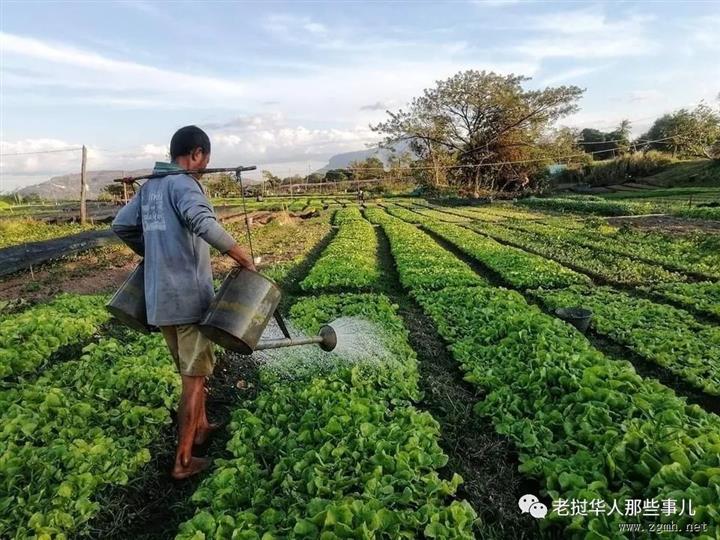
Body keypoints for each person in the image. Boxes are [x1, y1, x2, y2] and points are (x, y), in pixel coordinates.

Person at [112, 125, 254, 479]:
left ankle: (202, 426)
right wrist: (243, 258)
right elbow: (203, 222)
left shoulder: (152, 188)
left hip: (160, 300)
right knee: (192, 380)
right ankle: (184, 461)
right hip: (189, 300)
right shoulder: (184, 185)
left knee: (192, 372)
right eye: (205, 158)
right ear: (196, 154)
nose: (205, 165)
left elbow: (122, 225)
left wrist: (154, 252)